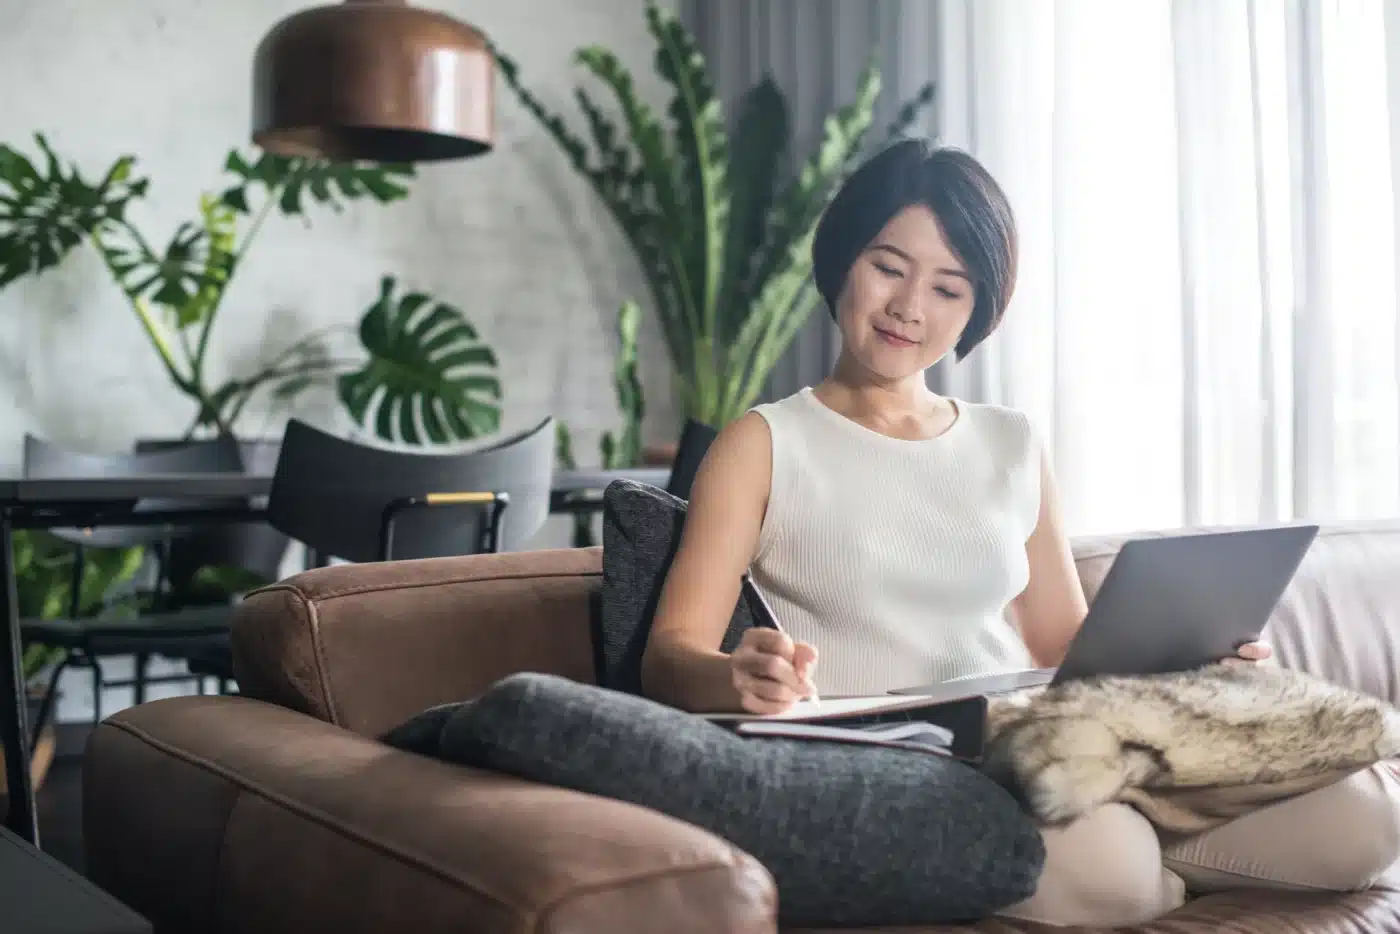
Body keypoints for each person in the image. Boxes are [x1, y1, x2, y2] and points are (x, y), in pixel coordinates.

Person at [639, 138, 1400, 927]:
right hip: (911, 765)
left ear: (978, 307)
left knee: (1365, 822)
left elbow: (1058, 642)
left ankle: (1158, 840)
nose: (910, 306)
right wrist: (737, 677)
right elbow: (669, 658)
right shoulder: (762, 443)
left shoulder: (1011, 441)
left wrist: (1192, 656)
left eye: (949, 287)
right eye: (888, 266)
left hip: (1055, 739)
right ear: (842, 262)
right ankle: (1162, 862)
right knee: (1115, 871)